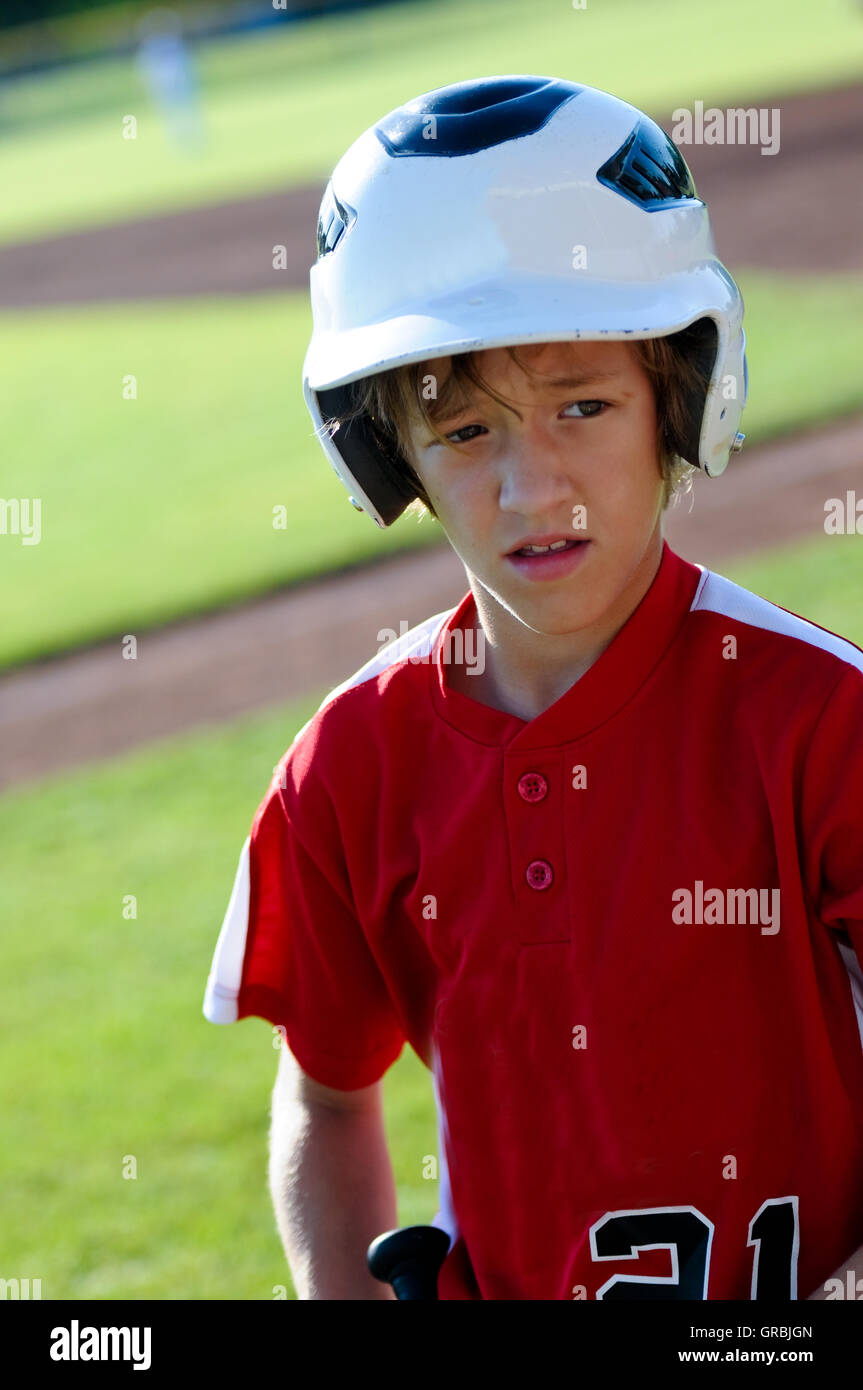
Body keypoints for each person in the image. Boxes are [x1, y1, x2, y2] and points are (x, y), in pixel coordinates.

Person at [202, 76, 863, 1300]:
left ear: (678, 396)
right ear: (385, 446)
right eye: (464, 432)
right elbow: (328, 1096)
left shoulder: (821, 720)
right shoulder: (348, 765)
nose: (529, 486)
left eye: (581, 405)